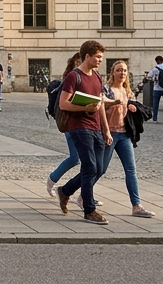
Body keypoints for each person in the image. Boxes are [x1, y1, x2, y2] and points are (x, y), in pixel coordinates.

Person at [55, 40, 112, 225]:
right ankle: (89, 210)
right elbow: (64, 103)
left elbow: (100, 104)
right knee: (89, 167)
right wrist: (83, 107)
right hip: (79, 127)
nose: (100, 60)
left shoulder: (96, 76)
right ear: (87, 56)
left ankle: (65, 191)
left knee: (100, 168)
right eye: (97, 57)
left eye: (101, 57)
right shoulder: (74, 76)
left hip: (96, 128)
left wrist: (106, 129)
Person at [103, 60, 154, 218]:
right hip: (110, 133)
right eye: (118, 70)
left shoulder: (128, 92)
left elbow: (136, 108)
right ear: (113, 72)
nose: (122, 73)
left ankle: (136, 206)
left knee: (131, 170)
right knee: (100, 169)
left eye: (124, 71)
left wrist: (133, 108)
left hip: (124, 134)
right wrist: (111, 104)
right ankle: (83, 196)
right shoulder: (107, 89)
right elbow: (100, 108)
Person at [45, 54, 83, 200]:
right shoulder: (70, 80)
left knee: (89, 162)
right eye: (77, 63)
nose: (80, 66)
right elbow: (64, 104)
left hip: (86, 125)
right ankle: (52, 179)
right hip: (71, 124)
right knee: (75, 159)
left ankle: (85, 195)